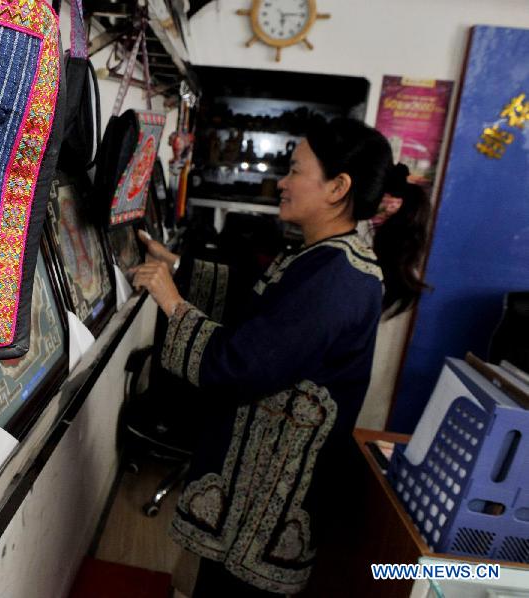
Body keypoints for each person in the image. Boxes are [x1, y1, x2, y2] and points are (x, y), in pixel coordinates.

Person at [130, 118, 430, 596]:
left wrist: (172, 300)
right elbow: (259, 306)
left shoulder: (339, 279)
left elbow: (241, 362)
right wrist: (179, 268)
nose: (283, 183)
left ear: (337, 188)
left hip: (264, 510)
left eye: (294, 171)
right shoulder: (322, 255)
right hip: (250, 490)